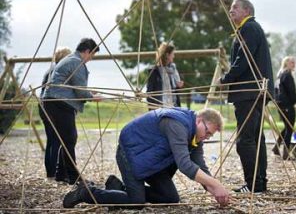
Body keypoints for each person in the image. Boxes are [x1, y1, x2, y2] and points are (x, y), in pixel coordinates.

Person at [63, 107, 230, 208]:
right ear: (199, 120)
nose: (207, 136)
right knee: (136, 201)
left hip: (153, 160)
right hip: (130, 154)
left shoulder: (195, 136)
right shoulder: (178, 124)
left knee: (170, 199)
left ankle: (117, 187)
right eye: (207, 131)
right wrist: (215, 184)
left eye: (210, 135)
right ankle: (86, 193)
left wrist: (216, 190)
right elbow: (185, 165)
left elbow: (200, 165)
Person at [219, 0, 274, 193]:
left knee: (246, 141)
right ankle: (259, 183)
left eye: (235, 7)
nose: (230, 10)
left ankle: (254, 185)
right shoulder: (250, 28)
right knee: (256, 139)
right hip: (254, 92)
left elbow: (244, 60)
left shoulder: (249, 28)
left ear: (247, 11)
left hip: (248, 92)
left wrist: (226, 79)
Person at [43, 38, 102, 184]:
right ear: (87, 51)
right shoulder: (77, 62)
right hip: (59, 102)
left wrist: (90, 93)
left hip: (53, 101)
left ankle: (61, 174)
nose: (91, 59)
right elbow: (81, 92)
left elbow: (74, 86)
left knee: (66, 139)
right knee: (69, 138)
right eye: (92, 55)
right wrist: (94, 97)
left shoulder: (71, 59)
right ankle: (73, 177)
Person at [39, 47, 71, 178]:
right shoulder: (60, 70)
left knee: (51, 140)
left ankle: (50, 172)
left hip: (43, 106)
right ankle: (55, 173)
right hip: (52, 107)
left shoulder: (50, 70)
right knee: (57, 140)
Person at [273, 56, 296, 160]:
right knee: (289, 128)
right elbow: (291, 91)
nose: (294, 64)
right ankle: (286, 153)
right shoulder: (287, 75)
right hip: (287, 104)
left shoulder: (280, 75)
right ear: (286, 63)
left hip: (280, 104)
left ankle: (276, 147)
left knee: (287, 127)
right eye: (292, 62)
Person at [146, 42, 181, 110]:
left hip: (173, 107)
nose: (174, 56)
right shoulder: (154, 71)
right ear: (167, 55)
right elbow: (149, 94)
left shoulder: (172, 70)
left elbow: (174, 92)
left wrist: (178, 86)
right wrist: (153, 110)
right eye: (172, 54)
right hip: (160, 109)